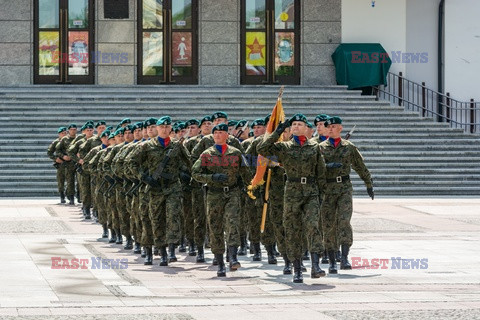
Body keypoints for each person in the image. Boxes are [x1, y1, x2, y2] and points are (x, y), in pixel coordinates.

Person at [258, 113, 327, 283]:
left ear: (306, 128)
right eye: (293, 124)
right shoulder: (285, 147)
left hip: (311, 191)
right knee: (292, 230)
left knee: (312, 225)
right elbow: (262, 149)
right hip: (292, 192)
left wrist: (321, 195)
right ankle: (296, 268)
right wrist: (277, 131)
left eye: (299, 124)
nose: (296, 127)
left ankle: (316, 265)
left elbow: (321, 173)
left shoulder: (314, 147)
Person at [126, 116, 191, 267]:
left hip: (173, 187)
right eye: (161, 127)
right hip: (155, 189)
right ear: (157, 128)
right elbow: (131, 162)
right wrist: (144, 177)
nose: (164, 129)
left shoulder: (177, 145)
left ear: (170, 129)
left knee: (173, 217)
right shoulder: (147, 146)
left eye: (167, 127)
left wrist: (185, 174)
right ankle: (159, 251)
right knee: (156, 220)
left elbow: (188, 162)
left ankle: (171, 250)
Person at [191, 123, 252, 277]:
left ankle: (233, 257)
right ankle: (219, 262)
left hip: (232, 193)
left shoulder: (236, 153)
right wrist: (212, 178)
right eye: (215, 133)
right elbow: (195, 173)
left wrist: (249, 189)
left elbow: (246, 173)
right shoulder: (206, 154)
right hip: (214, 194)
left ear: (227, 136)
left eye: (221, 133)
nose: (218, 135)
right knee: (215, 227)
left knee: (233, 224)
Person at [319, 116, 374, 274]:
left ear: (340, 128)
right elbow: (316, 167)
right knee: (328, 224)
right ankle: (331, 260)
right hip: (327, 189)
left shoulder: (349, 147)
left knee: (344, 221)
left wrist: (368, 183)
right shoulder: (320, 147)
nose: (330, 129)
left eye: (334, 126)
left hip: (343, 188)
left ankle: (344, 257)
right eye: (328, 127)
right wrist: (326, 166)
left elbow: (360, 166)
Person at [55, 124, 78, 205]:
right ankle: (71, 197)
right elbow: (57, 150)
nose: (73, 131)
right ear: (69, 131)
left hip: (78, 163)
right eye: (71, 129)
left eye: (74, 129)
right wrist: (63, 156)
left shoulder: (79, 139)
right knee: (70, 181)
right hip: (68, 164)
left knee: (79, 182)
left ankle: (77, 195)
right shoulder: (64, 139)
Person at [47, 127, 68, 203]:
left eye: (65, 133)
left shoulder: (71, 141)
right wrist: (55, 159)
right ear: (59, 134)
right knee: (61, 180)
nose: (64, 134)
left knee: (70, 180)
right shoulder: (56, 142)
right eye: (62, 133)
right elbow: (49, 152)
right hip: (61, 164)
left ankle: (70, 194)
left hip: (70, 164)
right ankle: (62, 195)